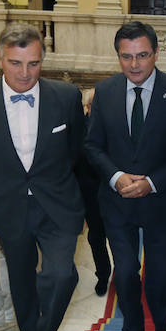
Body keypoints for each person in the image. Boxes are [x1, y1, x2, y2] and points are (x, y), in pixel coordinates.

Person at [0, 22, 85, 331]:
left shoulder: (66, 97)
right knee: (21, 275)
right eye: (15, 63)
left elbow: (75, 149)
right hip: (8, 203)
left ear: (43, 60)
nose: (25, 73)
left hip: (58, 202)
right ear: (0, 58)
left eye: (34, 63)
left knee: (61, 274)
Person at [84, 21, 166, 331]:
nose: (134, 64)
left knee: (161, 274)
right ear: (118, 56)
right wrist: (116, 177)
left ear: (156, 53)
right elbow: (92, 146)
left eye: (142, 55)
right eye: (126, 56)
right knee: (125, 270)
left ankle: (162, 320)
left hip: (160, 202)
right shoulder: (105, 92)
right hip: (117, 201)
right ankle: (132, 329)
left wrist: (152, 183)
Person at [75, 90, 112, 297]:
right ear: (88, 107)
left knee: (119, 236)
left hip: (114, 191)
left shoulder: (114, 125)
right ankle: (103, 275)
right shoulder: (77, 127)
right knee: (97, 237)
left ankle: (126, 273)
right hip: (89, 194)